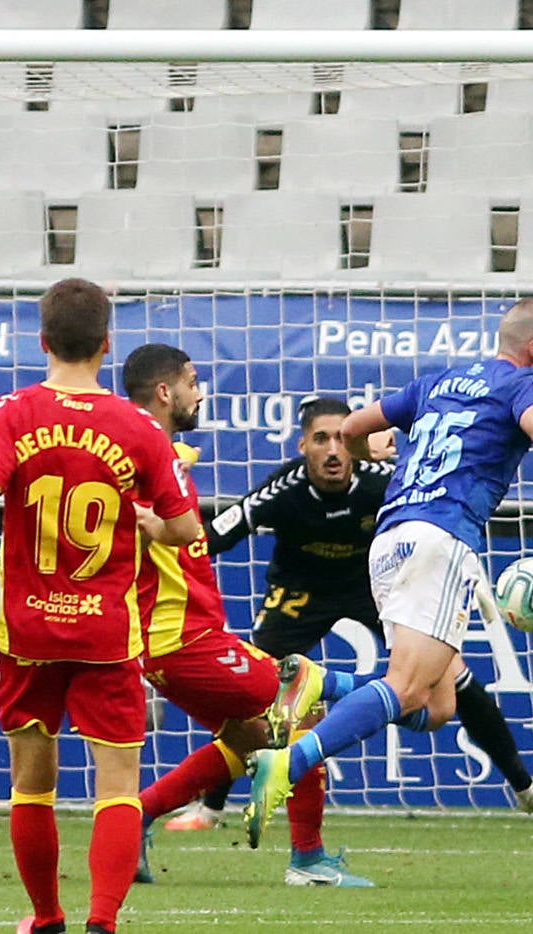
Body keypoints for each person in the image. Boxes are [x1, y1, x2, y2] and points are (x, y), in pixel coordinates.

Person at [245, 297, 533, 845]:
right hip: (441, 538)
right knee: (404, 690)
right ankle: (288, 764)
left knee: (438, 706)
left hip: (391, 538)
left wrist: (376, 446)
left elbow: (351, 428)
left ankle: (323, 681)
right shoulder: (523, 384)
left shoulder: (439, 381)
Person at [166, 395, 533, 832]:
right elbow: (208, 536)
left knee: (455, 682)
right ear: (301, 446)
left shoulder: (381, 479)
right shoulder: (283, 490)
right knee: (254, 694)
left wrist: (467, 569)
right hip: (300, 593)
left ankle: (525, 787)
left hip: (374, 586)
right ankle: (211, 807)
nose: (333, 450)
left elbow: (434, 517)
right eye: (320, 439)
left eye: (339, 438)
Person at [0, 279, 201, 934]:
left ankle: (46, 917)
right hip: (106, 630)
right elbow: (188, 529)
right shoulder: (137, 428)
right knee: (116, 784)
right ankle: (102, 922)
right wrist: (148, 524)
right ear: (108, 345)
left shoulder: (11, 413)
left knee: (32, 782)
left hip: (28, 626)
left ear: (44, 341)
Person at [123, 344, 372, 887]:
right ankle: (309, 861)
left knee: (250, 737)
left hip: (172, 641)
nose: (200, 391)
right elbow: (183, 532)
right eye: (192, 381)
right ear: (166, 392)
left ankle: (136, 816)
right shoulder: (147, 453)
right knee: (301, 710)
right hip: (184, 640)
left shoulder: (149, 452)